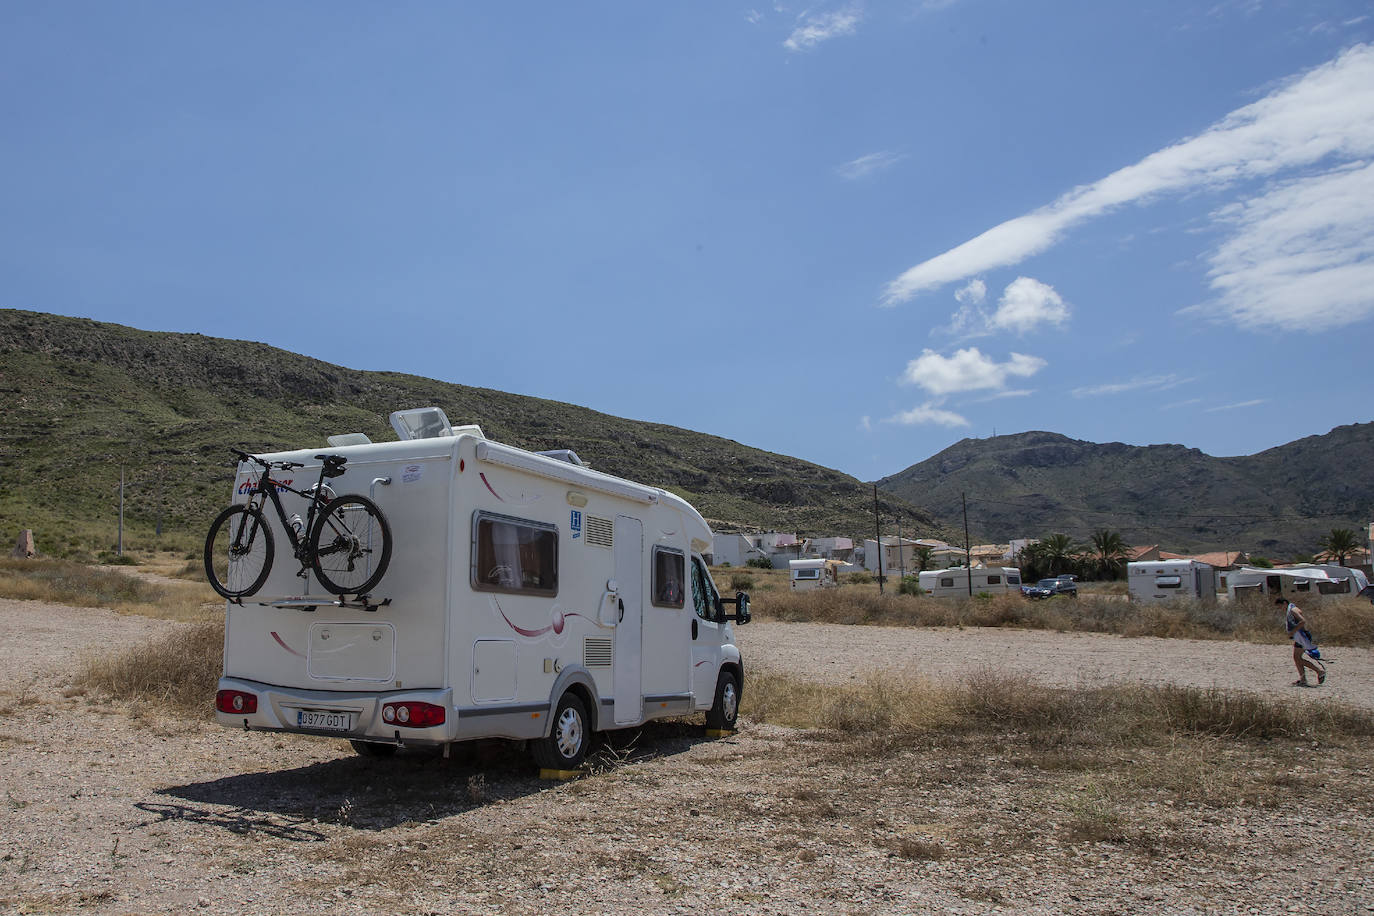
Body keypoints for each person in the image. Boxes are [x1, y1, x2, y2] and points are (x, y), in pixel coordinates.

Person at [1276, 596, 1326, 687]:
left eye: (1280, 606)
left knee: (1298, 658)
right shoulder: (1292, 609)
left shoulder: (1293, 610)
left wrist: (1293, 632)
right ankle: (1303, 679)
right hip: (1299, 637)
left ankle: (1319, 671)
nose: (1280, 609)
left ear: (1284, 603)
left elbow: (1303, 621)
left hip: (1302, 637)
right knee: (1296, 658)